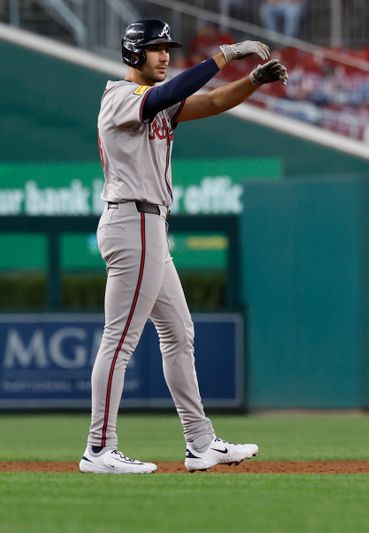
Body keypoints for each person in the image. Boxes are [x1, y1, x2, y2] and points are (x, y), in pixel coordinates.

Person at [81, 19, 287, 474]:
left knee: (179, 333)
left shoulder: (155, 103)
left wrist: (251, 81)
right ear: (134, 53)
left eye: (166, 48)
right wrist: (227, 55)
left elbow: (210, 100)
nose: (164, 55)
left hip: (148, 225)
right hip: (131, 220)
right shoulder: (120, 96)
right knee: (120, 340)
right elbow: (164, 95)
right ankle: (99, 448)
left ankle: (201, 442)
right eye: (155, 49)